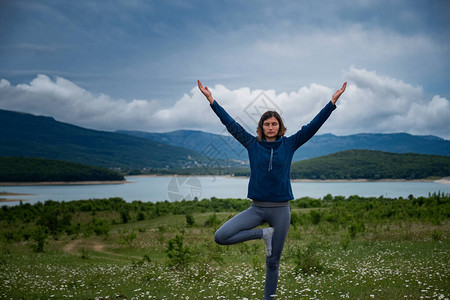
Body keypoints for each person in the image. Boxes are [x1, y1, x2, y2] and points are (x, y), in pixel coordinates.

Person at [198, 79, 347, 300]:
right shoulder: (251, 144)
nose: (270, 127)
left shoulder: (290, 144)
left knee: (273, 262)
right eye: (266, 124)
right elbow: (231, 125)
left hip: (281, 210)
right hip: (256, 209)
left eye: (274, 124)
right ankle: (263, 235)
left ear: (280, 126)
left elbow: (313, 126)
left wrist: (332, 103)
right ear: (261, 127)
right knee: (221, 236)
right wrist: (212, 101)